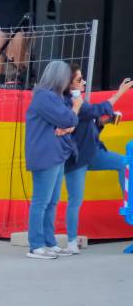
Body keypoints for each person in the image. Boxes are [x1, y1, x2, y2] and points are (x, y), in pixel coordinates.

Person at [60, 69, 133, 254]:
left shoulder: (79, 102)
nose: (83, 82)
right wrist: (119, 93)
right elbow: (96, 110)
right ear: (70, 85)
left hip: (93, 153)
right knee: (75, 200)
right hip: (77, 159)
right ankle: (71, 241)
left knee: (125, 163)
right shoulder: (71, 103)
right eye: (79, 79)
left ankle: (128, 204)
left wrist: (104, 122)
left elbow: (90, 125)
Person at [23, 61, 80, 260]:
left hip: (56, 154)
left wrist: (66, 123)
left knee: (52, 202)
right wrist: (75, 109)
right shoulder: (45, 97)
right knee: (41, 201)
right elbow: (69, 120)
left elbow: (67, 123)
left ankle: (49, 242)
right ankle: (36, 245)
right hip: (45, 155)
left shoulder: (53, 97)